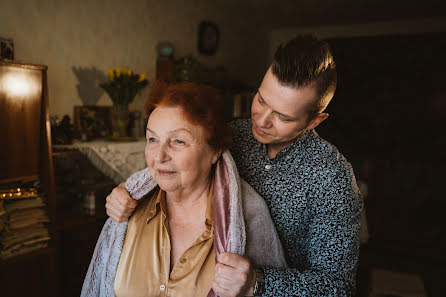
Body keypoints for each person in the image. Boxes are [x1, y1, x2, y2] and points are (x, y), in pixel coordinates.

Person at [106, 35, 363, 296]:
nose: (262, 121)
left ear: (314, 121)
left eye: (282, 117)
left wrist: (258, 282)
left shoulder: (332, 178)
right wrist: (128, 192)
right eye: (261, 100)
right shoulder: (233, 136)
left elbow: (338, 288)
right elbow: (169, 166)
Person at [81, 82, 287, 297]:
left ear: (214, 151)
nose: (159, 157)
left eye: (178, 141)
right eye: (152, 139)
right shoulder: (128, 208)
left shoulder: (247, 215)